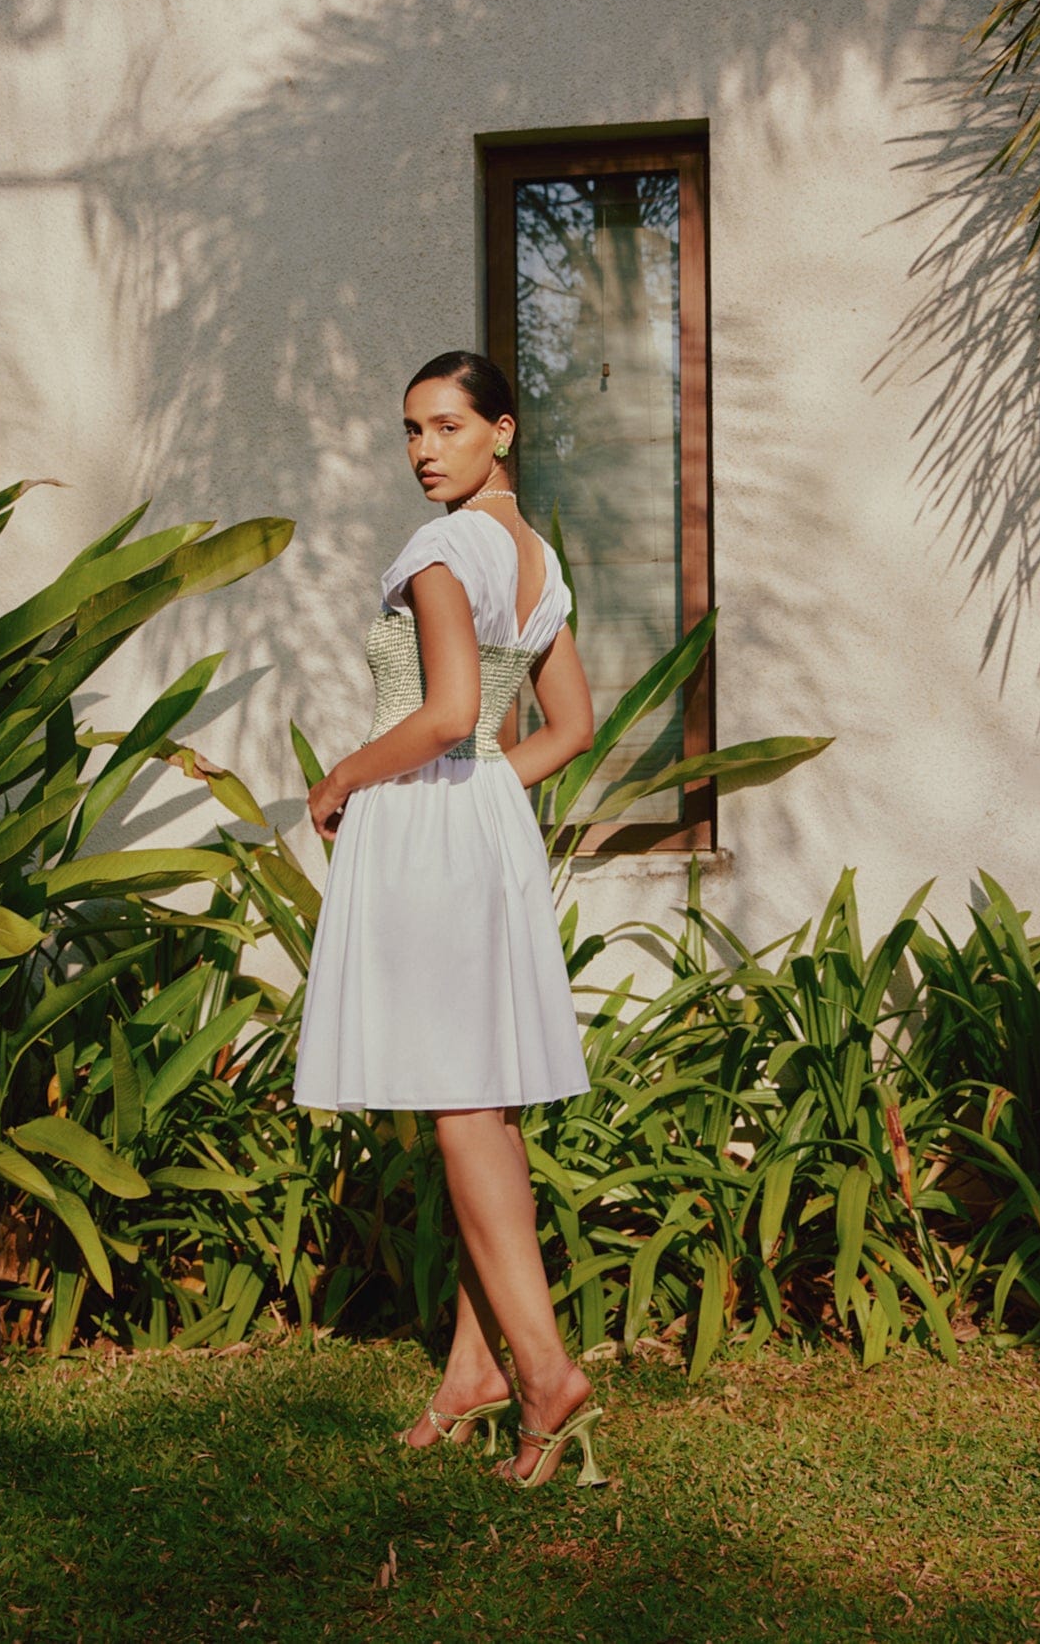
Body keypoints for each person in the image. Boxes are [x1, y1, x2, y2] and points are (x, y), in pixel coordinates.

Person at [292, 350, 605, 1489]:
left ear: (500, 433)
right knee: (482, 1107)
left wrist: (339, 781)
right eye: (410, 429)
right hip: (486, 829)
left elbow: (444, 713)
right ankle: (474, 1371)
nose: (423, 448)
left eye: (444, 426)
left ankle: (544, 1369)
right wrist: (480, 795)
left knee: (462, 1108)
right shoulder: (537, 561)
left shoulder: (435, 549)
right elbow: (564, 729)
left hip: (430, 829)